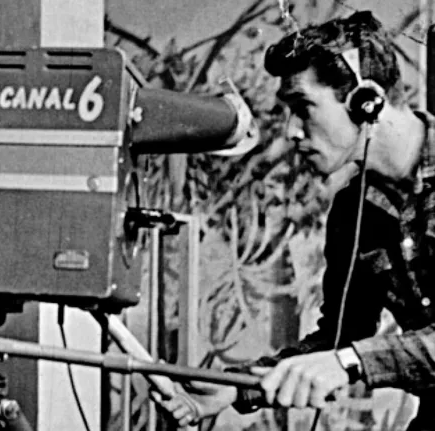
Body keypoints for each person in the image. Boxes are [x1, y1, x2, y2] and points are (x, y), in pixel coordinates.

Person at [159, 11, 435, 430]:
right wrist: (237, 387)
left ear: (367, 102)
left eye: (303, 108)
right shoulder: (353, 213)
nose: (291, 131)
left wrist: (347, 362)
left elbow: (345, 358)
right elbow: (341, 339)